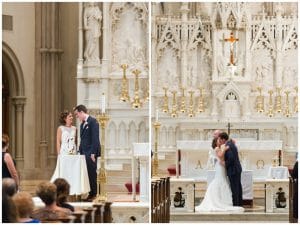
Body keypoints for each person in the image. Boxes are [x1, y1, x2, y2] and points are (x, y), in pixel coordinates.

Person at [195, 136, 244, 212]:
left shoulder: (220, 147)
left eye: (220, 139)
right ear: (216, 142)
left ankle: (224, 201)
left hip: (223, 166)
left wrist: (227, 146)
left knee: (224, 180)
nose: (220, 141)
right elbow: (220, 156)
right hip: (220, 166)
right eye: (218, 140)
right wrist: (224, 149)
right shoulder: (217, 148)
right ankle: (219, 201)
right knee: (220, 180)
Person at [74, 105, 100, 201]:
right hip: (84, 153)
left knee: (92, 173)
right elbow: (82, 140)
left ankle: (94, 194)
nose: (77, 117)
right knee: (87, 174)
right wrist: (79, 151)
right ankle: (90, 193)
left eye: (77, 114)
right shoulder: (82, 124)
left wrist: (93, 153)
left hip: (91, 153)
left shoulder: (93, 122)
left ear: (81, 112)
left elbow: (95, 139)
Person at [219, 132, 243, 206]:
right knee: (238, 187)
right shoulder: (231, 144)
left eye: (220, 139)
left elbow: (231, 158)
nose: (219, 141)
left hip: (233, 170)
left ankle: (236, 205)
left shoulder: (228, 145)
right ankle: (239, 203)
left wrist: (225, 163)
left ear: (223, 139)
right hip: (237, 168)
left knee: (234, 188)